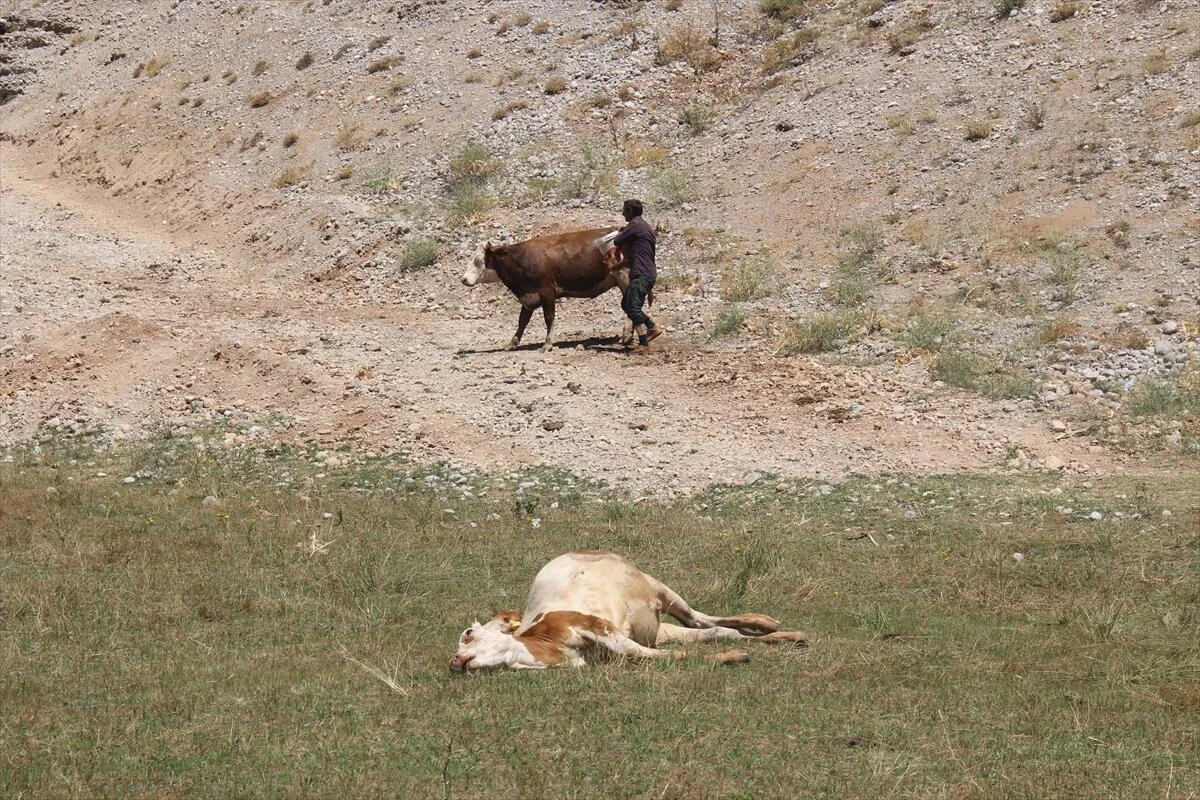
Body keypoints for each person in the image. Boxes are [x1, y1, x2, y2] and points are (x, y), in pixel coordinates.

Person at [613, 198, 662, 354]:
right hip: (647, 272)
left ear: (631, 212)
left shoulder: (635, 225)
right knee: (626, 304)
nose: (622, 213)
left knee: (633, 309)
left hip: (641, 274)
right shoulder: (646, 227)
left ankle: (644, 344)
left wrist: (622, 231)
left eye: (624, 211)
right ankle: (652, 327)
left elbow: (617, 241)